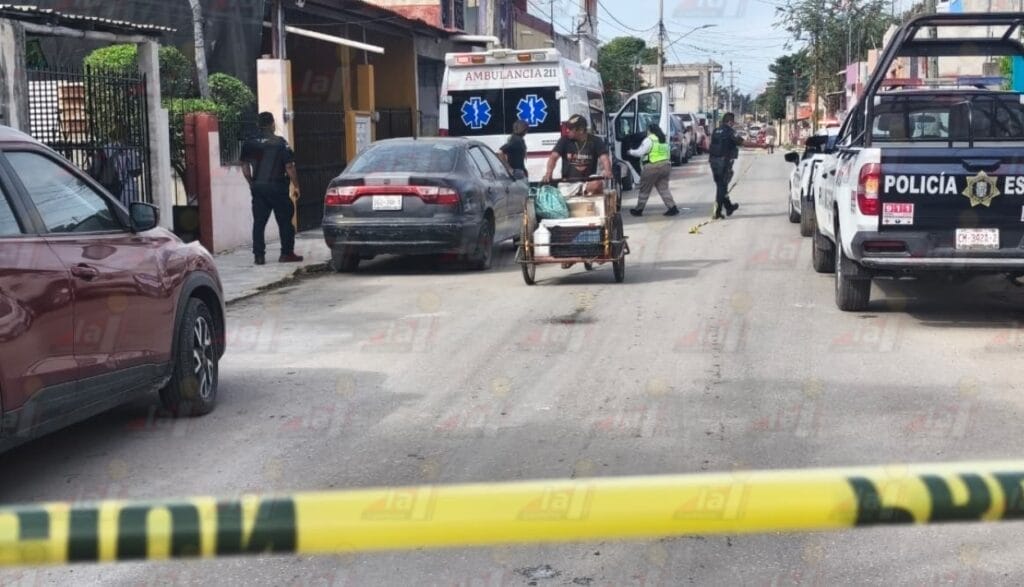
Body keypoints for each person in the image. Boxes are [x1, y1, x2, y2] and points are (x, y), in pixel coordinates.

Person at [240, 112, 304, 265]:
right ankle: (286, 254)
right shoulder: (280, 143)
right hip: (277, 188)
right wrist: (296, 186)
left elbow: (244, 165)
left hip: (258, 188)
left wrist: (251, 182)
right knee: (285, 222)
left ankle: (259, 256)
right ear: (272, 124)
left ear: (258, 125)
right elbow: (289, 166)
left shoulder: (249, 143)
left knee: (259, 223)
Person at [541, 114, 613, 194]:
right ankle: (581, 191)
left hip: (588, 182)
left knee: (597, 184)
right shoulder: (564, 140)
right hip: (568, 184)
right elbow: (553, 157)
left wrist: (608, 171)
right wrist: (548, 173)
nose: (567, 130)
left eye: (571, 129)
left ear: (581, 130)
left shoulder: (595, 141)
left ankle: (584, 191)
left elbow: (604, 158)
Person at [627, 123, 679, 217]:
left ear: (650, 130)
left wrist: (630, 152)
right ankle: (672, 208)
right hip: (665, 166)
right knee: (664, 189)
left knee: (644, 190)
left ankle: (638, 210)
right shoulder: (663, 140)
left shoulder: (649, 140)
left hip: (652, 167)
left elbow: (640, 152)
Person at [708, 112, 744, 219]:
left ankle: (728, 207)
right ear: (729, 121)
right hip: (723, 163)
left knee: (721, 186)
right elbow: (742, 142)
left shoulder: (715, 131)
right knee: (721, 187)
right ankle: (717, 212)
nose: (733, 124)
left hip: (713, 162)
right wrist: (762, 145)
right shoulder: (729, 131)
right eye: (733, 122)